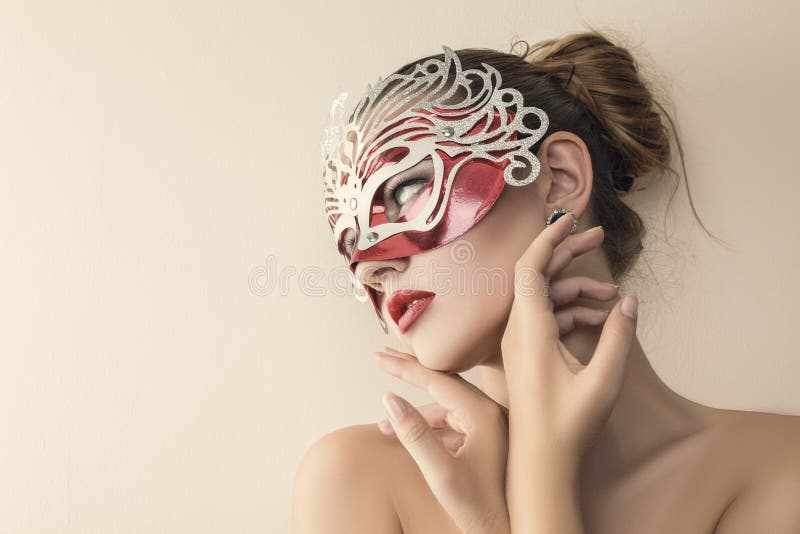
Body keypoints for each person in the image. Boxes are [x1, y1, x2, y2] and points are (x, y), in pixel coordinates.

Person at [291, 29, 800, 533]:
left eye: (403, 192)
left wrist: (538, 477)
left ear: (558, 177)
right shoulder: (357, 478)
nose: (368, 266)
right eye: (350, 241)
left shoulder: (780, 474)